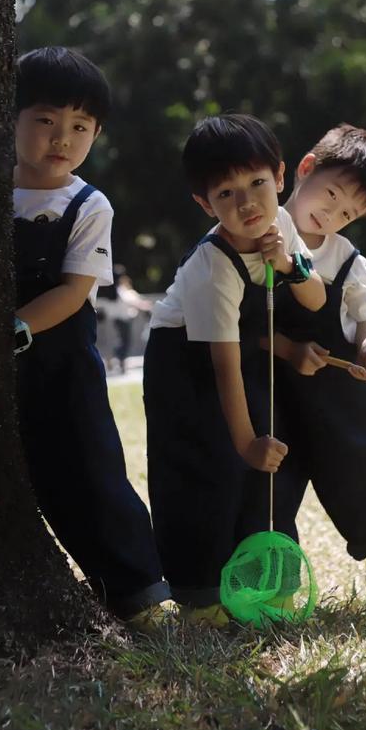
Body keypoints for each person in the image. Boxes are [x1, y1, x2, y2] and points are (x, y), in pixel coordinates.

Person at [143, 114, 326, 626]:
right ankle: (201, 596)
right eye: (226, 193)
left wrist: (291, 265)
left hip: (243, 347)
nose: (246, 203)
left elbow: (314, 300)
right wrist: (246, 443)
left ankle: (265, 582)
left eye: (257, 184)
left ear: (281, 176)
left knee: (270, 470)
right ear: (204, 204)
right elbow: (222, 369)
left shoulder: (282, 224)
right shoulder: (211, 268)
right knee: (207, 467)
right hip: (184, 358)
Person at [13, 46, 170, 629]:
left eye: (80, 127)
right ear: (12, 120)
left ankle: (138, 592)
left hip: (60, 359)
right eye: (46, 121)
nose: (61, 138)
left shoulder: (85, 204)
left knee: (87, 466)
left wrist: (18, 325)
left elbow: (76, 290)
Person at [268, 123, 366, 616]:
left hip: (339, 389)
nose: (332, 215)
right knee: (268, 493)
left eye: (348, 213)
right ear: (306, 169)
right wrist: (288, 349)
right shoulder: (256, 229)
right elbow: (236, 320)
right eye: (330, 196)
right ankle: (275, 601)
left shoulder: (347, 258)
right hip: (268, 386)